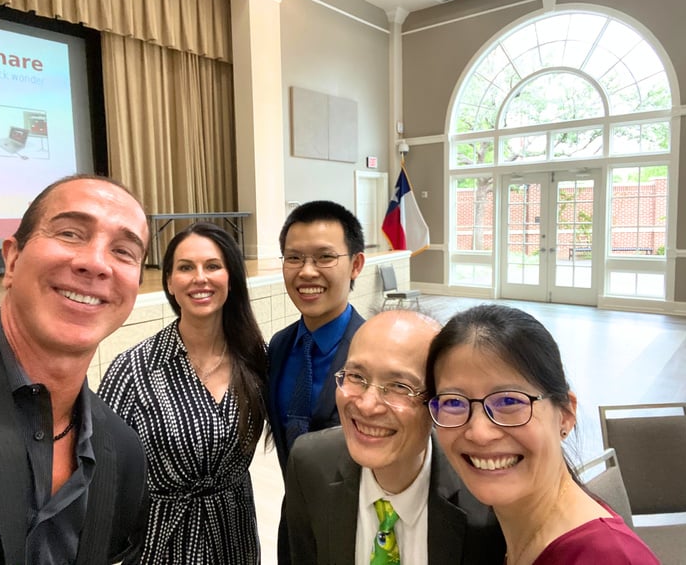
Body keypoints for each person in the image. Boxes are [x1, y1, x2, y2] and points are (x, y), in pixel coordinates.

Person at [0, 174, 150, 565]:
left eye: (124, 251)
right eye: (71, 233)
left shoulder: (123, 452)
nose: (95, 263)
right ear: (12, 259)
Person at [425, 304, 660, 565]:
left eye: (508, 402)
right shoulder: (506, 534)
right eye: (454, 403)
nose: (479, 433)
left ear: (565, 415)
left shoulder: (606, 557)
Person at [98, 222, 268, 564]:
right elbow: (101, 473)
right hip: (162, 545)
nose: (200, 278)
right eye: (186, 267)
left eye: (213, 266)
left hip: (236, 538)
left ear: (231, 278)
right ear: (170, 284)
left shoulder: (254, 358)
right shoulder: (133, 369)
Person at [285, 309, 505, 564]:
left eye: (400, 387)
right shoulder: (309, 465)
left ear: (439, 404)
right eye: (356, 376)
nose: (367, 405)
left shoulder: (485, 504)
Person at [268, 200, 367, 564]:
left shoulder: (376, 353)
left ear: (355, 264)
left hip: (360, 529)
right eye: (294, 258)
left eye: (325, 258)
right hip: (293, 528)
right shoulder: (279, 347)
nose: (307, 272)